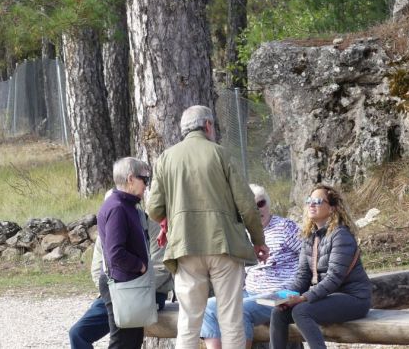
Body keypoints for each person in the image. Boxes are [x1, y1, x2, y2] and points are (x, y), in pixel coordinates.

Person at [147, 105, 269, 349]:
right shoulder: (221, 154)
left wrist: (170, 220)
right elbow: (246, 204)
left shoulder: (166, 158)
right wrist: (258, 240)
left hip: (185, 246)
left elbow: (153, 208)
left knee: (189, 320)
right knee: (231, 318)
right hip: (224, 245)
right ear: (209, 126)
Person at [269, 184, 371, 349]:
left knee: (301, 311)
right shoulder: (309, 237)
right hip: (329, 297)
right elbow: (302, 276)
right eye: (309, 200)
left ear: (331, 208)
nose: (311, 204)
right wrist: (284, 296)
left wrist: (303, 298)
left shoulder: (340, 235)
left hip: (354, 298)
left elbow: (334, 278)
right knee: (278, 311)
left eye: (317, 201)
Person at [201, 184, 302, 349]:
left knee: (239, 311)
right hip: (251, 292)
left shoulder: (285, 227)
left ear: (268, 204)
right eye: (251, 206)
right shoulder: (243, 234)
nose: (257, 209)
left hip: (282, 293)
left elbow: (311, 256)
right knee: (207, 308)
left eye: (261, 203)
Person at [69, 211, 173, 349]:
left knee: (122, 341)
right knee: (77, 334)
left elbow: (161, 268)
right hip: (113, 295)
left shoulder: (151, 226)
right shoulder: (106, 229)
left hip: (148, 295)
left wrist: (132, 290)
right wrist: (110, 292)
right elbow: (98, 269)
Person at [97, 157, 153, 349]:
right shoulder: (117, 207)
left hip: (129, 283)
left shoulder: (126, 205)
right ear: (130, 178)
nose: (147, 185)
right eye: (145, 179)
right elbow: (115, 253)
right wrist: (140, 265)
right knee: (122, 343)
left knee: (133, 342)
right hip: (122, 285)